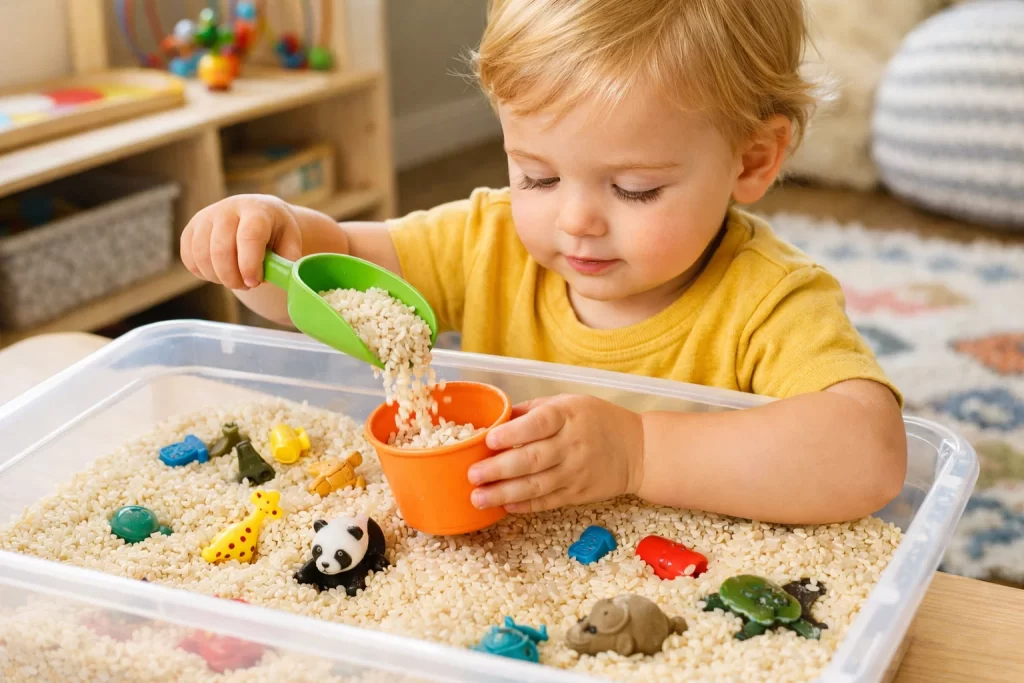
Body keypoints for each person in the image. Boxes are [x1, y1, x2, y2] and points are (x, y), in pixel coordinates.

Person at [180, 0, 907, 525]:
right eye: (536, 175)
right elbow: (337, 277)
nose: (575, 220)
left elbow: (868, 455)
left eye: (634, 188)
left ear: (752, 159)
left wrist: (640, 453)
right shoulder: (488, 241)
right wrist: (270, 244)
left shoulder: (768, 299)